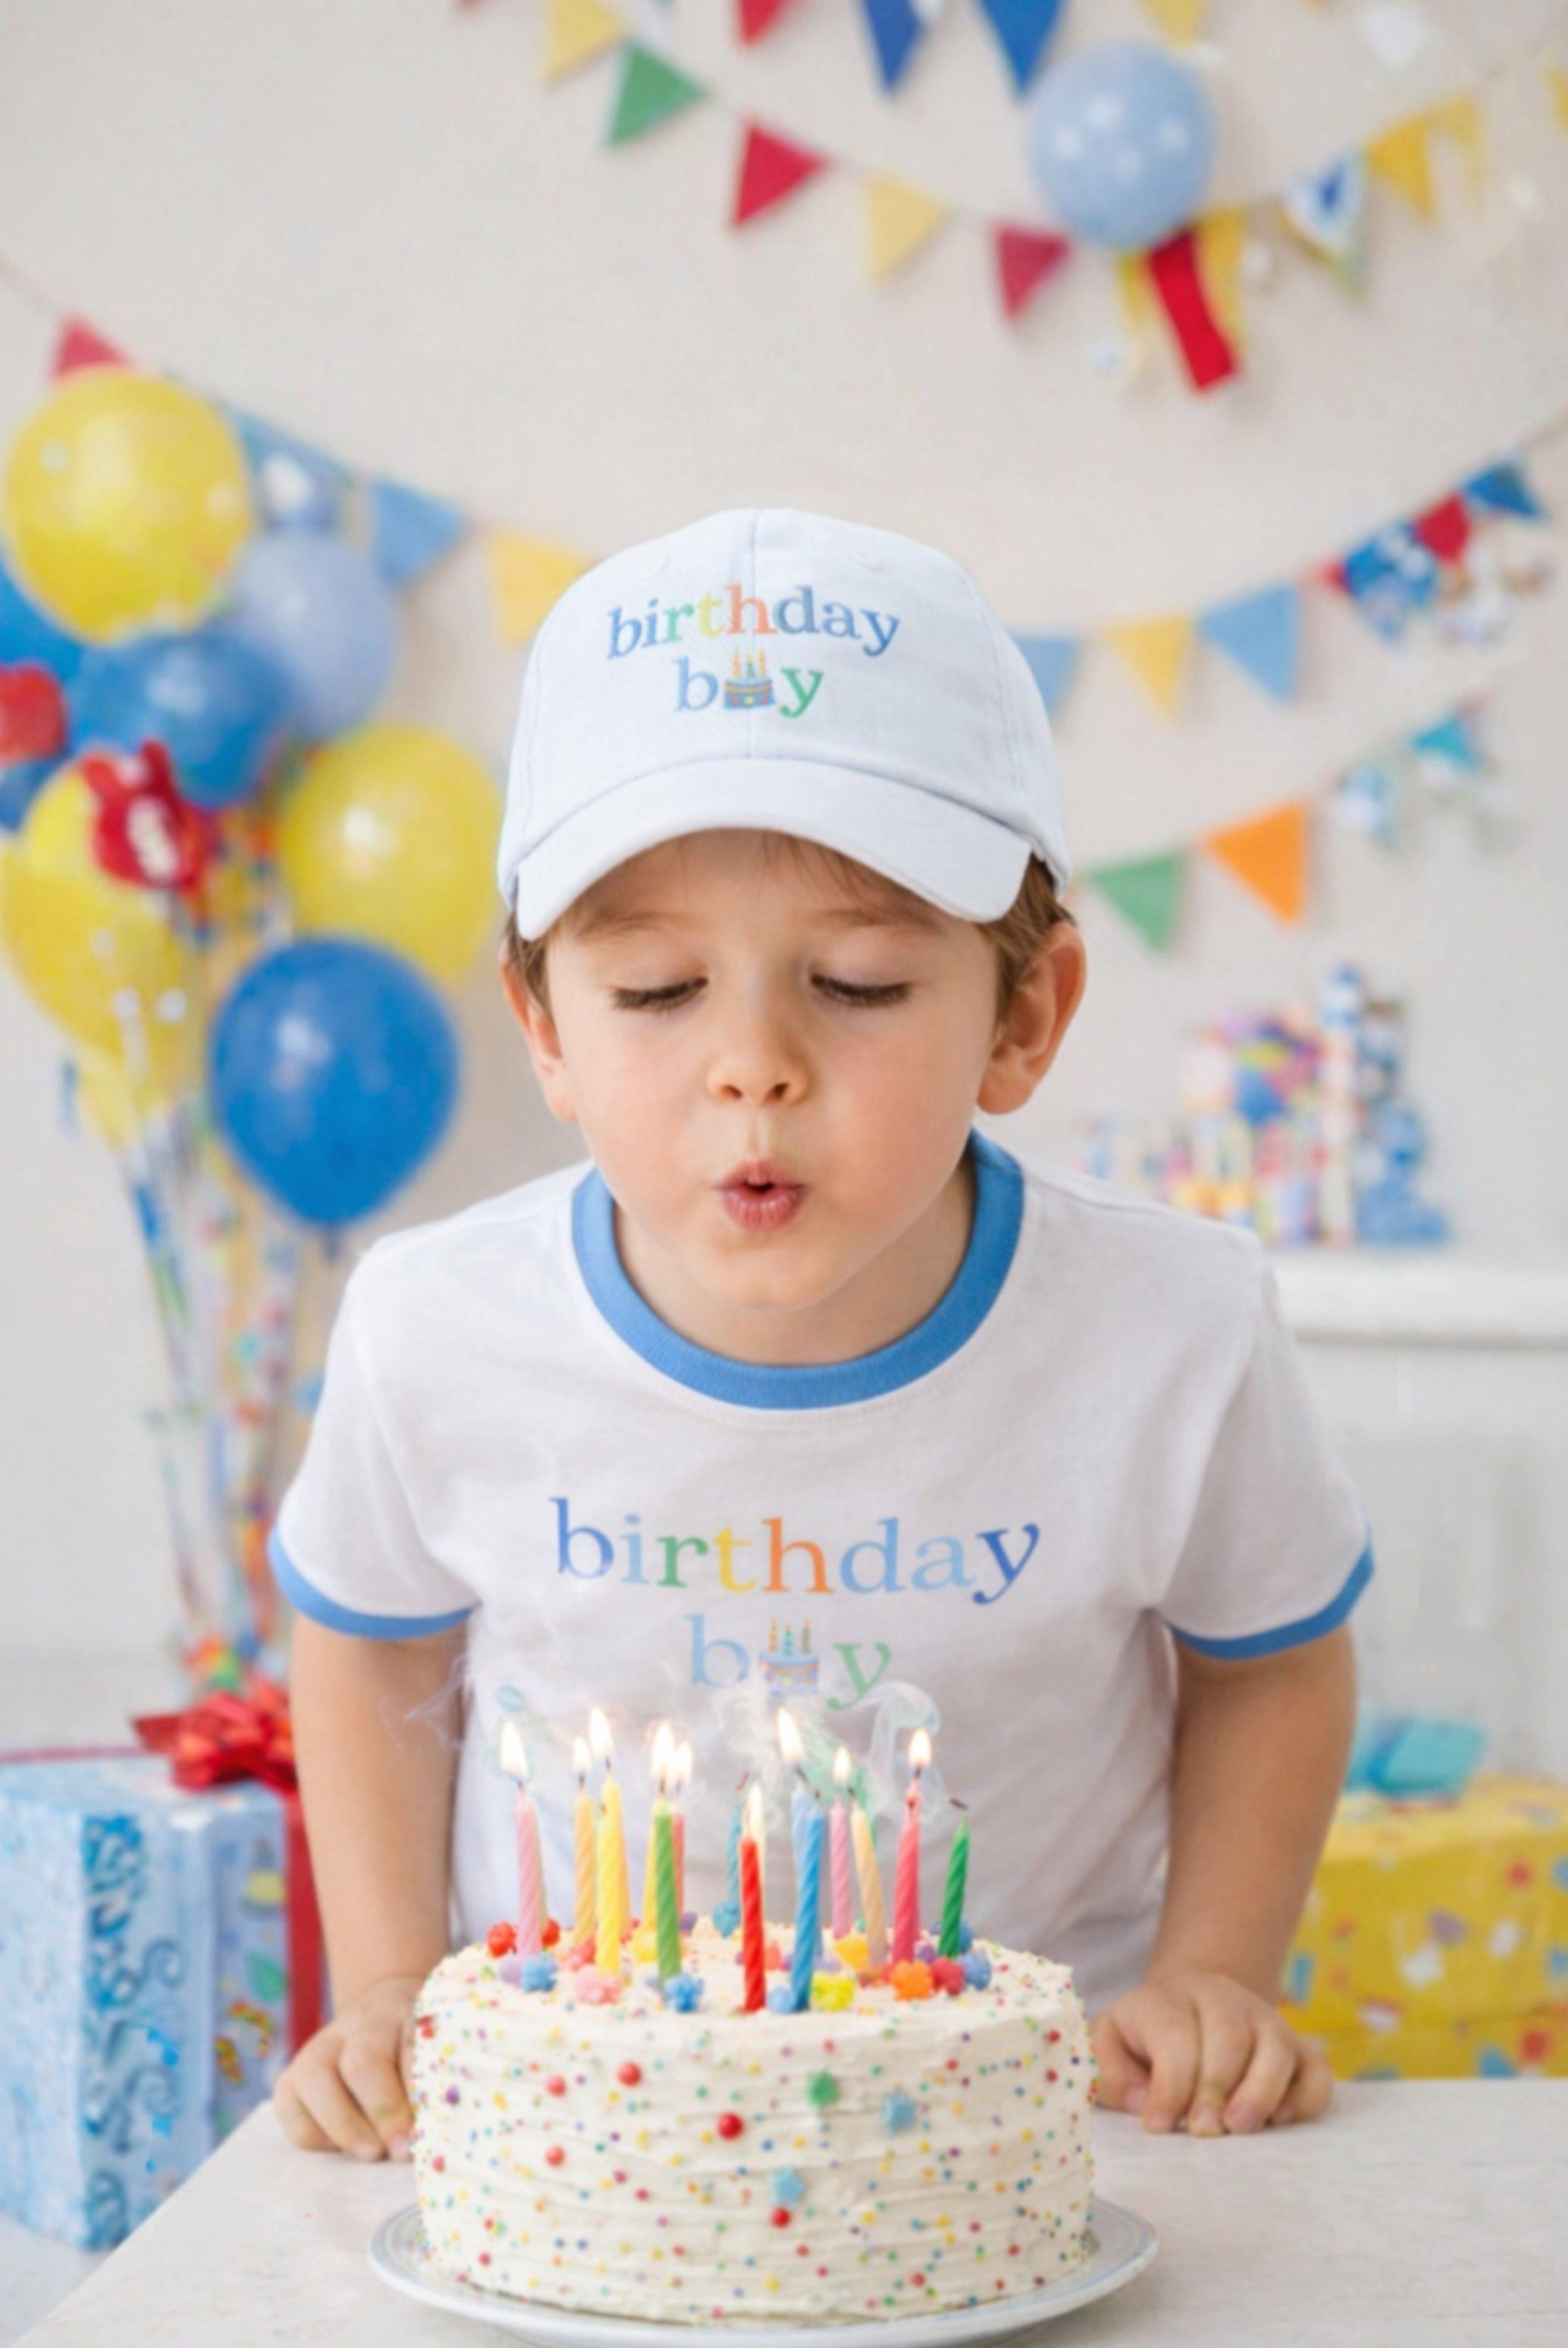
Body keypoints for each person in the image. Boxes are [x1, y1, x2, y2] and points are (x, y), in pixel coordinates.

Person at [270, 505, 1368, 2168]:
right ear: (545, 1027)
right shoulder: (436, 1330)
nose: (754, 1067)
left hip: (1038, 2126)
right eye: (655, 992)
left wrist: (1213, 1974)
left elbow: (1271, 1662)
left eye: (855, 983)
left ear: (1025, 1016)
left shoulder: (1175, 1333)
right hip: (572, 2132)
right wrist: (392, 1987)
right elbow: (368, 1644)